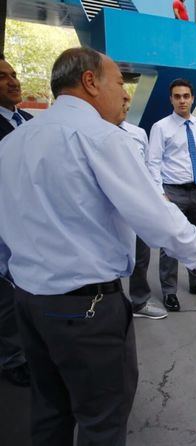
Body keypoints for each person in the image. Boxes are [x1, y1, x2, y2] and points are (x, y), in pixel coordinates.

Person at [0, 47, 196, 446]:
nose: (124, 94)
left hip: (29, 303)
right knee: (103, 420)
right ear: (89, 82)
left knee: (50, 411)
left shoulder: (14, 141)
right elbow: (152, 212)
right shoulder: (100, 138)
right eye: (118, 82)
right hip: (87, 311)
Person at [147, 78, 196, 312]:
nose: (182, 100)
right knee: (171, 243)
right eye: (177, 96)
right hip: (172, 193)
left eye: (185, 96)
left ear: (192, 98)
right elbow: (153, 164)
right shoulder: (161, 128)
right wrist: (160, 194)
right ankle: (169, 292)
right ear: (171, 99)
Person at [0, 54, 32, 388]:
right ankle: (12, 360)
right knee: (7, 297)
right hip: (3, 226)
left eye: (14, 73)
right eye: (2, 76)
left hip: (28, 224)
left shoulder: (26, 119)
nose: (13, 81)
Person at [120, 101, 168, 320]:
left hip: (137, 205)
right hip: (107, 207)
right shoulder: (95, 133)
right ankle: (104, 306)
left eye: (126, 100)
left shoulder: (138, 133)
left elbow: (149, 168)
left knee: (141, 255)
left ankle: (139, 302)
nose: (124, 102)